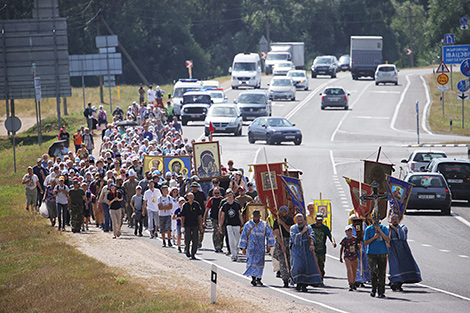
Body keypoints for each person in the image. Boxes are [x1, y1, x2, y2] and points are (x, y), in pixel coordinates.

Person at [239, 209, 275, 287]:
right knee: (251, 262)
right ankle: (253, 278)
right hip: (251, 247)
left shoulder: (264, 224)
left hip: (260, 248)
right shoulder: (248, 225)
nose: (256, 218)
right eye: (255, 217)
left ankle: (259, 278)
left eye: (257, 217)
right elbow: (244, 236)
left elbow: (269, 234)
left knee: (260, 263)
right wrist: (243, 247)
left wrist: (269, 245)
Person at [388, 214, 422, 291]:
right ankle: (395, 283)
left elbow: (402, 236)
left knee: (404, 266)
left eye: (396, 219)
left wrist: (394, 227)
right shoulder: (387, 229)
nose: (395, 220)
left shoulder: (403, 227)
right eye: (393, 219)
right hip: (392, 251)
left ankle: (400, 281)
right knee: (394, 265)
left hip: (403, 250)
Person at [290, 213, 323, 292]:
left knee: (307, 267)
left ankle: (304, 284)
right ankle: (298, 282)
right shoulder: (293, 228)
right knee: (297, 266)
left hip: (307, 249)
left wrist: (312, 244)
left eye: (301, 218)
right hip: (297, 250)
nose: (300, 219)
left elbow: (312, 235)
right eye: (298, 218)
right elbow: (294, 238)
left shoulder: (308, 227)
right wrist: (302, 232)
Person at [364, 218, 390, 298]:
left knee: (382, 272)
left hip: (382, 252)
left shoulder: (384, 228)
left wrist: (380, 231)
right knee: (373, 271)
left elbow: (387, 239)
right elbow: (365, 242)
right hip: (372, 253)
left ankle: (381, 291)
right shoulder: (368, 229)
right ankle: (374, 288)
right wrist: (373, 238)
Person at [273, 206, 295, 287]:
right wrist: (282, 245)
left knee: (290, 260)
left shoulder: (290, 220)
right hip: (280, 242)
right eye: (283, 212)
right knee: (282, 261)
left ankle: (292, 277)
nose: (285, 214)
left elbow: (290, 230)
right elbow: (277, 234)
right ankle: (285, 279)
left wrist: (282, 223)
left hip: (289, 240)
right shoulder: (276, 222)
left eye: (286, 212)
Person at [219, 189, 244, 262]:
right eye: (228, 195)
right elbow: (222, 216)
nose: (230, 197)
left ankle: (236, 251)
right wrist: (220, 225)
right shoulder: (225, 205)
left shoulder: (236, 204)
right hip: (228, 224)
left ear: (233, 195)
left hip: (236, 224)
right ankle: (234, 255)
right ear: (226, 196)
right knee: (231, 240)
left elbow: (239, 214)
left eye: (231, 195)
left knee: (238, 240)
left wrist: (242, 223)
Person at [310, 213, 336, 279]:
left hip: (321, 250)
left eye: (320, 220)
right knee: (314, 265)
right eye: (318, 220)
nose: (319, 222)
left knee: (321, 265)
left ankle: (321, 278)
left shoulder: (325, 228)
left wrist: (333, 242)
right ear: (315, 219)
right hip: (313, 249)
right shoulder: (311, 227)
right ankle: (314, 279)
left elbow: (330, 235)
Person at [181, 192, 203, 259]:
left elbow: (199, 215)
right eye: (190, 197)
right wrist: (182, 226)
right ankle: (187, 250)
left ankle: (193, 253)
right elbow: (183, 216)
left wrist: (201, 225)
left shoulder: (196, 204)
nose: (191, 198)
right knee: (187, 239)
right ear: (187, 198)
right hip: (187, 224)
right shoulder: (185, 205)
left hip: (195, 224)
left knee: (195, 239)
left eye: (192, 197)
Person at [340, 225, 361, 291]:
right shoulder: (345, 240)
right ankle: (351, 283)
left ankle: (354, 281)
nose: (349, 232)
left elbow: (357, 247)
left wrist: (359, 246)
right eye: (348, 231)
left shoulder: (355, 239)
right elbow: (342, 248)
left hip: (354, 256)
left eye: (350, 230)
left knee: (354, 270)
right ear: (346, 232)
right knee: (349, 270)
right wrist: (340, 256)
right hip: (347, 256)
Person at [203, 187, 224, 252]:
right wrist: (204, 220)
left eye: (218, 193)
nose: (217, 194)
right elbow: (207, 210)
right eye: (215, 193)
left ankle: (220, 245)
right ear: (213, 193)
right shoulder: (211, 200)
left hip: (222, 218)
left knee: (221, 232)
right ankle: (217, 247)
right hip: (214, 218)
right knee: (215, 231)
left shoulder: (222, 199)